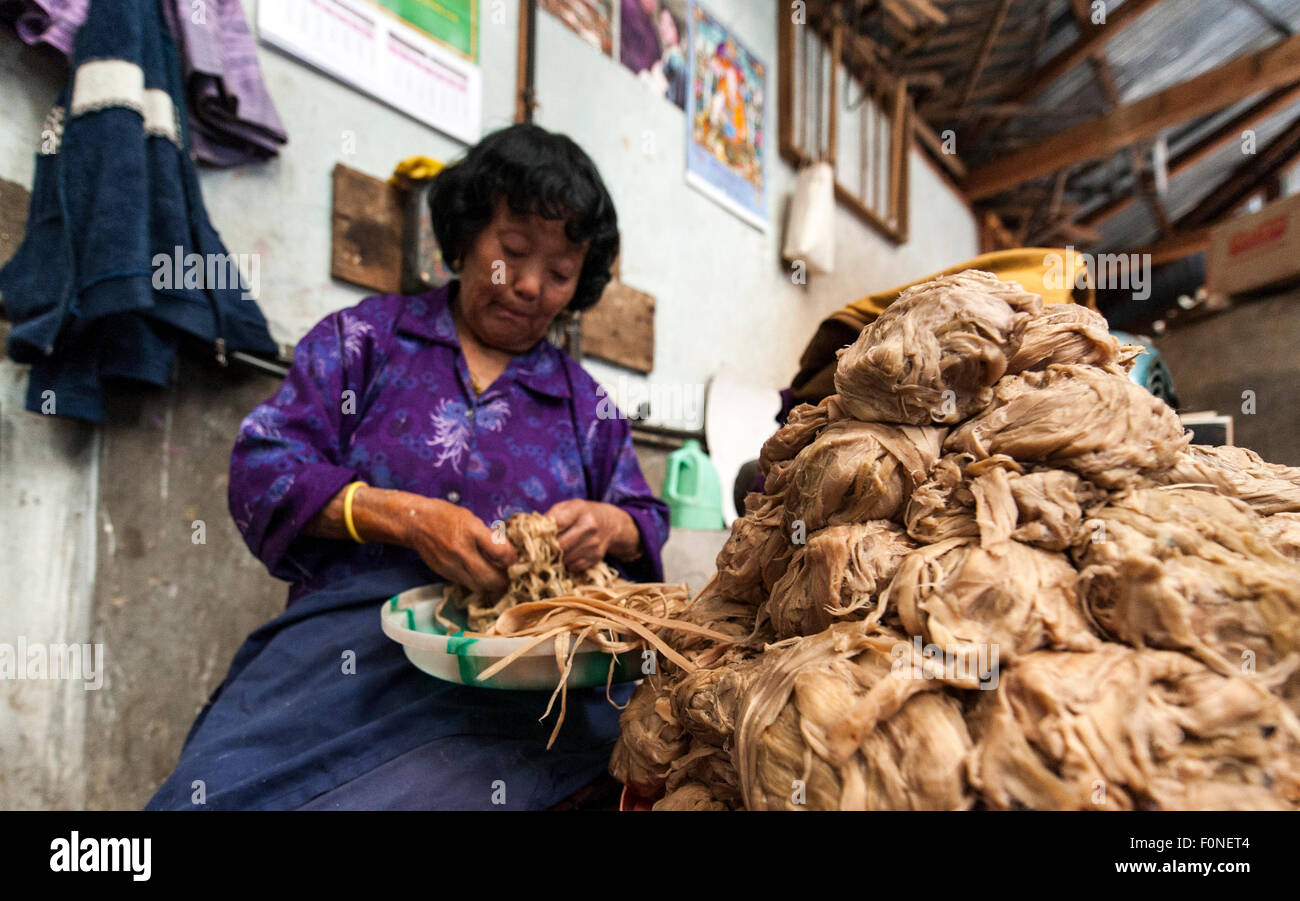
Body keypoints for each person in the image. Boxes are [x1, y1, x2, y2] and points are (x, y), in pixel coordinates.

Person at [146, 124, 670, 810]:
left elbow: (644, 519)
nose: (531, 286)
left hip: (525, 680)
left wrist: (608, 526)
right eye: (512, 253)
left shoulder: (586, 404)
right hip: (340, 656)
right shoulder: (364, 341)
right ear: (463, 238)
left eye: (562, 273)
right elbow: (262, 466)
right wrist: (403, 516)